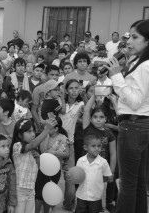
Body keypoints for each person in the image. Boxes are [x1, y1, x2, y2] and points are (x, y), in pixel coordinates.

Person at [105, 20, 149, 213]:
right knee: (137, 182)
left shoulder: (147, 66)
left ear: (148, 41)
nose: (129, 41)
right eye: (129, 36)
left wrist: (116, 76)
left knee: (128, 185)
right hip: (139, 125)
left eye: (135, 37)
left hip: (134, 126)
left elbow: (135, 100)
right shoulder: (142, 62)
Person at [10, 118, 57, 213]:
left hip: (31, 190)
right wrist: (47, 130)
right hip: (20, 190)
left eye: (33, 131)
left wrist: (38, 158)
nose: (32, 134)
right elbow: (32, 144)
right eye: (29, 131)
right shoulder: (17, 146)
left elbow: (37, 168)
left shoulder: (34, 149)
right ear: (19, 134)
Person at [83, 96, 117, 212]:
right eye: (95, 117)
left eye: (101, 117)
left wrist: (111, 172)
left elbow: (113, 154)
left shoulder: (109, 133)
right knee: (87, 189)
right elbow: (87, 110)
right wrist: (95, 94)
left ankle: (103, 205)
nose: (98, 119)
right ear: (91, 119)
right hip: (87, 167)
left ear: (106, 119)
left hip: (102, 168)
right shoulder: (88, 128)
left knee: (100, 190)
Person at [59, 79, 84, 210]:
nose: (74, 91)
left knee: (70, 177)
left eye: (77, 88)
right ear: (66, 90)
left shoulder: (81, 104)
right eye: (71, 88)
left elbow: (87, 116)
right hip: (54, 142)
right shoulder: (59, 103)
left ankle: (68, 204)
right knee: (50, 175)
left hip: (70, 143)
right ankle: (47, 202)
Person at [35, 117, 69, 213]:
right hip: (42, 168)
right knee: (38, 194)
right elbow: (42, 150)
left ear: (56, 129)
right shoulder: (45, 136)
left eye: (49, 126)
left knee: (49, 193)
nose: (46, 127)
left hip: (55, 170)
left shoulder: (63, 138)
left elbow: (67, 154)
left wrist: (53, 153)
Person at [73, 133, 113, 213]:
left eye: (99, 146)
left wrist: (109, 178)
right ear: (85, 147)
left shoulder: (103, 162)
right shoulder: (81, 160)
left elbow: (108, 176)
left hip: (96, 197)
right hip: (82, 195)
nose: (97, 148)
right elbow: (77, 175)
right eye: (93, 146)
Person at [31, 65, 60, 132]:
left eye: (57, 75)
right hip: (43, 124)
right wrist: (39, 124)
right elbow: (34, 110)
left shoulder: (61, 89)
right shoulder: (38, 89)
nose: (54, 77)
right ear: (46, 75)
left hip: (57, 126)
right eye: (52, 75)